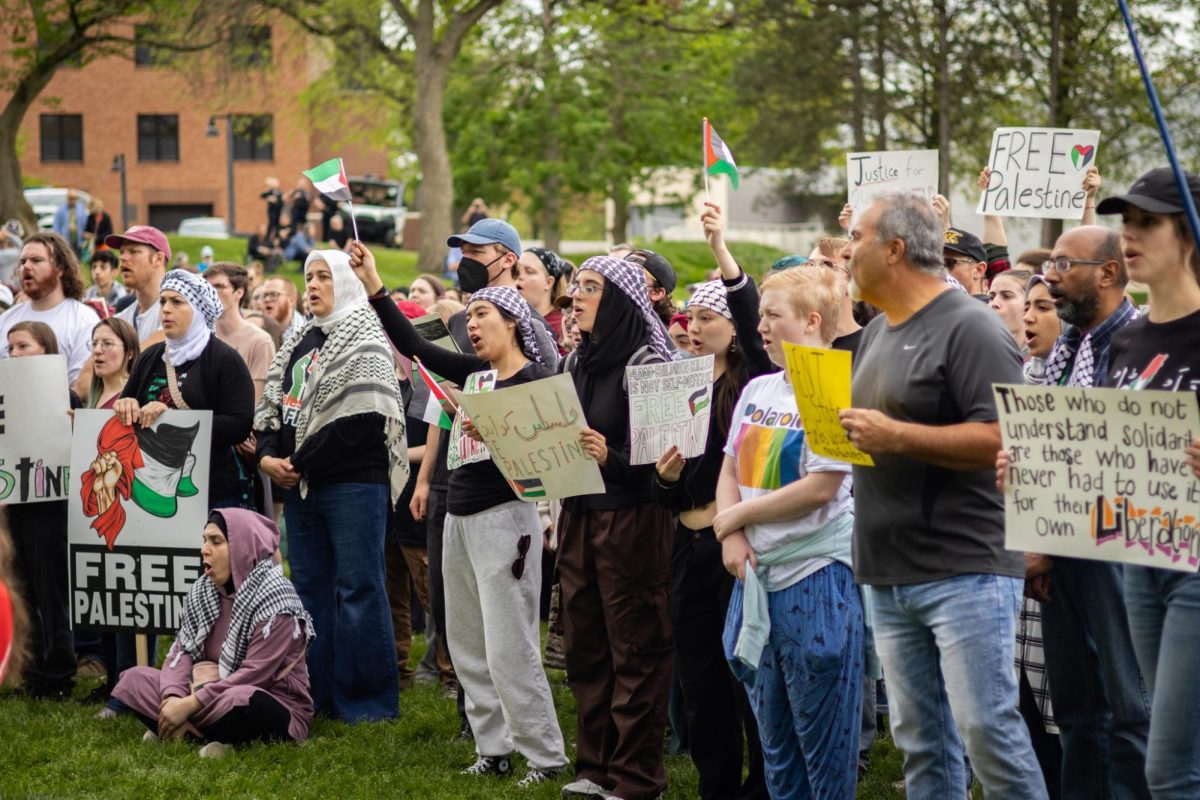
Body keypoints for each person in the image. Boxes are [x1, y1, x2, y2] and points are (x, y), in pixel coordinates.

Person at [839, 192, 1047, 798]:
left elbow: (1008, 438)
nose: (847, 249)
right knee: (920, 742)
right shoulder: (878, 331)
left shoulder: (972, 326)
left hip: (965, 569)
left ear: (895, 249)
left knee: (987, 733)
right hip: (887, 569)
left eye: (857, 236)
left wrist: (897, 434)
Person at [350, 241, 569, 785]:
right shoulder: (474, 375)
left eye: (482, 315)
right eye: (468, 316)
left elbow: (552, 465)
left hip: (506, 522)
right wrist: (374, 283)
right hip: (458, 520)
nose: (471, 325)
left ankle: (544, 756)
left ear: (514, 322)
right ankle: (492, 749)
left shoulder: (537, 381)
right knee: (466, 643)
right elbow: (411, 343)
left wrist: (496, 433)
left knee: (510, 645)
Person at [716, 264, 862, 798]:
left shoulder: (834, 386)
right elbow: (731, 468)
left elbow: (823, 486)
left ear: (811, 320)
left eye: (772, 315)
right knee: (775, 743)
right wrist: (731, 536)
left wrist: (736, 519)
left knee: (824, 746)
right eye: (760, 316)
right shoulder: (758, 389)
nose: (760, 326)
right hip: (756, 579)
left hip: (816, 579)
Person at [254, 249, 408, 723]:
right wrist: (267, 457)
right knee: (308, 593)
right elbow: (274, 406)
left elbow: (360, 419)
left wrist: (294, 462)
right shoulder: (300, 338)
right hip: (300, 485)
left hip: (352, 484)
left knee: (358, 590)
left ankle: (367, 703)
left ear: (346, 282)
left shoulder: (367, 338)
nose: (315, 284)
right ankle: (313, 692)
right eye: (309, 276)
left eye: (325, 276)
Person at [653, 202, 771, 800]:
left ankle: (764, 785)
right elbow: (657, 484)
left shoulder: (752, 381)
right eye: (689, 316)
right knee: (699, 677)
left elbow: (752, 319)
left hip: (739, 545)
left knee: (746, 671)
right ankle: (716, 785)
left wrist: (721, 248)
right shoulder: (676, 384)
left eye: (707, 317)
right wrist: (667, 478)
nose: (693, 327)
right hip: (688, 545)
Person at [1034, 225, 1151, 800]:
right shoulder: (1067, 345)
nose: (1049, 275)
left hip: (1118, 548)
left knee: (1131, 707)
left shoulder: (1142, 346)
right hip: (1062, 549)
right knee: (1078, 707)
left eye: (1063, 264)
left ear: (1107, 273)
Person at [1096, 166, 1200, 799]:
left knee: (1170, 770)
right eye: (1125, 223)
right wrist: (1035, 472)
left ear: (1188, 233)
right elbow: (1104, 453)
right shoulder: (1126, 341)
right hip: (1140, 559)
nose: (1128, 236)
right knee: (1178, 745)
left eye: (1148, 223)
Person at [555, 255, 675, 800]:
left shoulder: (649, 361)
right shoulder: (577, 360)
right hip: (581, 517)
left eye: (591, 287)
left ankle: (634, 777)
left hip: (632, 520)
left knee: (635, 646)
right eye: (576, 285)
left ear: (621, 300)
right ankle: (594, 767)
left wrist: (613, 457)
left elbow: (667, 462)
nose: (575, 295)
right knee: (587, 646)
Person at [110, 509, 314, 756]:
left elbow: (254, 675)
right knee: (134, 679)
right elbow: (182, 651)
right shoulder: (203, 591)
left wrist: (188, 705)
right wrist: (172, 698)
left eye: (215, 541)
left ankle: (180, 728)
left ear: (243, 548)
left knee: (243, 699)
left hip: (267, 696)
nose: (204, 549)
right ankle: (194, 728)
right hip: (208, 690)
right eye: (204, 540)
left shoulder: (277, 601)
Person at [114, 270, 255, 511]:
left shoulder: (223, 359)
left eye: (177, 302)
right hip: (151, 486)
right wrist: (125, 405)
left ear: (199, 309)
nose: (166, 309)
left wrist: (171, 418)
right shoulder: (150, 357)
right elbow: (128, 400)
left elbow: (239, 424)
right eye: (163, 302)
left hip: (212, 492)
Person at [5, 321, 80, 698]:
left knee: (53, 591)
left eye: (23, 347)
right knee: (23, 588)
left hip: (51, 509)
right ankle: (30, 669)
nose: (14, 354)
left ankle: (59, 670)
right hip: (13, 509)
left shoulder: (66, 398)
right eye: (10, 348)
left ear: (46, 350)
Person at [0, 232, 98, 384]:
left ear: (60, 268)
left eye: (36, 260)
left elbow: (82, 387)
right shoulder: (6, 320)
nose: (26, 266)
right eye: (22, 262)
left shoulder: (84, 320)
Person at [204, 263, 276, 405]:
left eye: (218, 287)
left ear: (239, 292)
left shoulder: (260, 341)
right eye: (206, 287)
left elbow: (257, 404)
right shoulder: (198, 338)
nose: (210, 293)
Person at [106, 225, 170, 345]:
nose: (122, 258)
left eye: (133, 251)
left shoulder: (180, 309)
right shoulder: (120, 320)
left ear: (158, 259)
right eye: (122, 252)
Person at [517, 247, 569, 342]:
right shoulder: (512, 321)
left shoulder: (562, 326)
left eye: (529, 271)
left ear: (548, 282)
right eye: (516, 270)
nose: (519, 276)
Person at [624, 249, 677, 328]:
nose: (623, 281)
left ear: (657, 292)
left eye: (634, 277)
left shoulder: (667, 338)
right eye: (622, 274)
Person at [1022, 275, 1060, 384]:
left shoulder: (1088, 378)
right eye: (1026, 308)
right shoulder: (1012, 379)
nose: (1027, 317)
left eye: (1042, 308)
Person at [988, 268, 1035, 350]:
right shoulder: (984, 351)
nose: (994, 303)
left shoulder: (1042, 357)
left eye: (1006, 296)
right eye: (992, 297)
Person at [943, 227, 990, 299]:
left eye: (948, 263)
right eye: (936, 262)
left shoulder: (988, 308)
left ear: (978, 270)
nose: (940, 269)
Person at [260, 276, 305, 341]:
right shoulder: (258, 329)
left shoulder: (306, 334)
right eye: (264, 295)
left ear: (291, 300)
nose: (267, 299)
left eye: (274, 295)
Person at [52, 188, 89, 256]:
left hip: (78, 239)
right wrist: (58, 239)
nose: (72, 200)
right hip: (65, 239)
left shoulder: (81, 209)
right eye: (70, 198)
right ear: (67, 198)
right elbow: (56, 226)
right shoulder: (61, 209)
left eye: (74, 198)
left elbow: (85, 223)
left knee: (77, 259)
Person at [82, 197, 113, 261]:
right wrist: (87, 235)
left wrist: (97, 237)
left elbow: (109, 232)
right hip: (93, 246)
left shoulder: (106, 217)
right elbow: (86, 230)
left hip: (104, 245)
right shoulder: (90, 217)